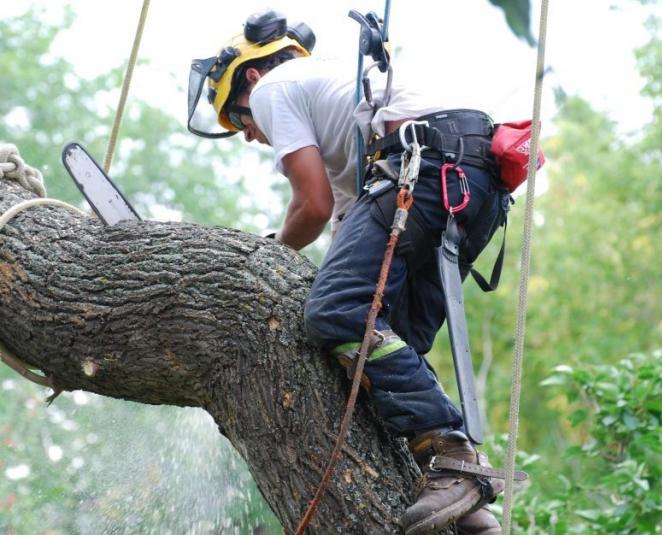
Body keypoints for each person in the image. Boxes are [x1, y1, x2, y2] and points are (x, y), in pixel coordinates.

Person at [188, 9, 512, 535]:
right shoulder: (343, 110)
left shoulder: (276, 87)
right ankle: (470, 512)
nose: (251, 136)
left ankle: (453, 455)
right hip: (474, 183)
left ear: (250, 77)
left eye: (241, 120)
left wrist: (265, 253)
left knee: (336, 312)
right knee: (386, 343)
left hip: (422, 166)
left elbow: (310, 207)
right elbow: (341, 227)